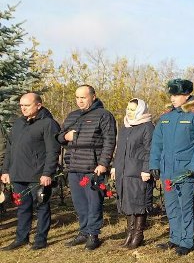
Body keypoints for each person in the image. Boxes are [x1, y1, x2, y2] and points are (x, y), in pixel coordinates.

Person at [149, 79, 194, 256]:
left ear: (187, 95)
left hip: (185, 170)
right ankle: (175, 238)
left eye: (177, 95)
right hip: (167, 169)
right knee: (172, 206)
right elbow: (157, 143)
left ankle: (187, 241)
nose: (173, 98)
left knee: (185, 206)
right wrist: (154, 163)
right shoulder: (166, 117)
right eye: (172, 95)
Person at [57, 85, 117, 250]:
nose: (80, 101)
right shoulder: (72, 116)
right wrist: (65, 136)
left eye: (83, 97)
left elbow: (109, 141)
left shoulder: (104, 115)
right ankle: (83, 231)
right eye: (77, 97)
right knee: (79, 202)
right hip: (73, 166)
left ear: (93, 96)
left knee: (93, 202)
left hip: (92, 167)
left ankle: (93, 234)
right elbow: (59, 136)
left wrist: (103, 163)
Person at [0, 93, 61, 250]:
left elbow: (53, 151)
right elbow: (10, 149)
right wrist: (6, 170)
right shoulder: (19, 123)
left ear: (38, 105)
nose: (23, 108)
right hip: (18, 174)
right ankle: (21, 238)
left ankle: (40, 239)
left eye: (26, 105)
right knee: (23, 207)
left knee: (41, 206)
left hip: (38, 175)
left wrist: (48, 173)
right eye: (21, 105)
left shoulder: (48, 124)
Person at [111, 98, 154, 249]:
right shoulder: (125, 127)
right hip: (124, 171)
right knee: (127, 203)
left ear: (140, 110)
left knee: (138, 203)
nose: (129, 112)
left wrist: (147, 169)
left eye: (133, 109)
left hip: (138, 172)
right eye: (128, 108)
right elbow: (120, 149)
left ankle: (138, 235)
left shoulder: (147, 126)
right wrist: (115, 167)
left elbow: (150, 150)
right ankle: (129, 233)